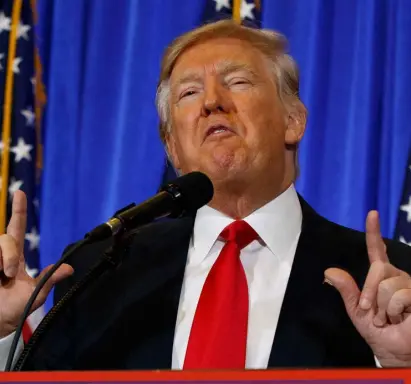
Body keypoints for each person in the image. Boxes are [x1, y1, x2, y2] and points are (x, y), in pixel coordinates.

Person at [1, 19, 411, 371]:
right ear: (172, 148)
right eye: (189, 93)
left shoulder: (391, 283)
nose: (213, 102)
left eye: (237, 81)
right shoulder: (100, 269)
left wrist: (400, 367)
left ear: (293, 121)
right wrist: (5, 334)